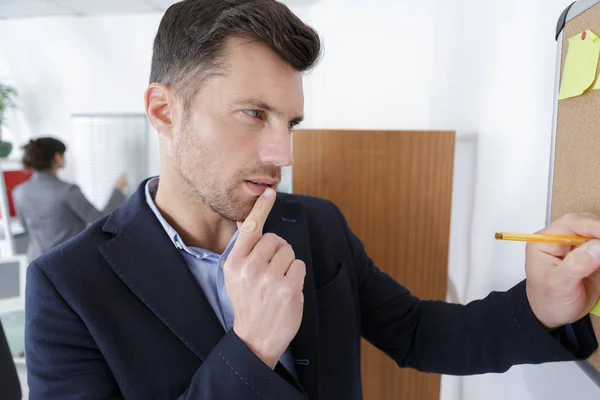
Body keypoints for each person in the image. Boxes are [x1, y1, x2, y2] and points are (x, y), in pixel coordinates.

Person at [25, 1, 600, 399]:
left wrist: (542, 306)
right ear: (162, 111)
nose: (283, 153)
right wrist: (250, 348)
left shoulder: (315, 224)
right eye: (254, 114)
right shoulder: (68, 285)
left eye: (291, 122)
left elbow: (418, 332)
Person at [13, 137, 128, 261]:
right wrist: (118, 190)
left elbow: (24, 225)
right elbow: (99, 219)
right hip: (66, 261)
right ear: (57, 157)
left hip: (36, 262)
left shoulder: (19, 192)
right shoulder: (68, 191)